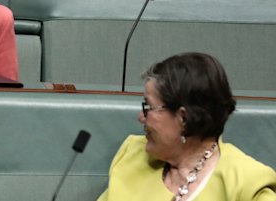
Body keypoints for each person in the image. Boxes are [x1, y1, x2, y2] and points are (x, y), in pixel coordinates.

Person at [98, 52, 276, 201]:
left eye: (149, 108)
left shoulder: (246, 184)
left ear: (183, 118)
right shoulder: (133, 156)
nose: (141, 117)